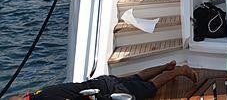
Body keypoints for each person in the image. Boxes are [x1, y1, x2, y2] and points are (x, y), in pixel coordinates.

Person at [11, 61, 198, 100]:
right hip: (100, 81)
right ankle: (166, 66)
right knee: (136, 78)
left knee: (147, 88)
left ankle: (180, 71)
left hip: (104, 90)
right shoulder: (37, 94)